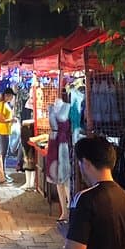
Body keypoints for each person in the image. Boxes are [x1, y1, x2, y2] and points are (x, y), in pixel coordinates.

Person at [47, 89, 74, 217]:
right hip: (53, 143)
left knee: (66, 177)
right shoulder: (51, 107)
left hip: (64, 144)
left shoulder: (68, 108)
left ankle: (70, 209)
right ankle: (64, 212)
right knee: (58, 179)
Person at [0, 87, 16, 174]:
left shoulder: (6, 104)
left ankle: (2, 171)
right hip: (2, 131)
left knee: (4, 152)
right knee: (3, 153)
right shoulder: (1, 104)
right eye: (11, 96)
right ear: (7, 95)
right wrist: (11, 120)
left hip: (6, 131)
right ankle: (1, 171)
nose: (12, 98)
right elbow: (0, 119)